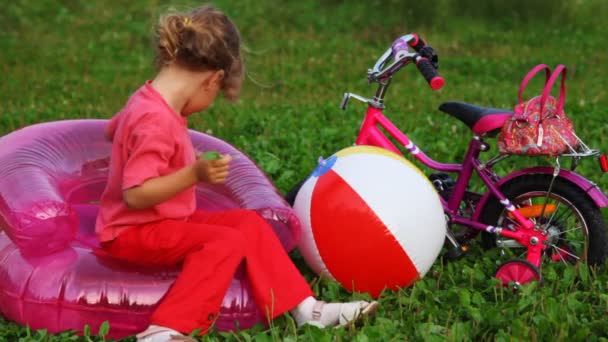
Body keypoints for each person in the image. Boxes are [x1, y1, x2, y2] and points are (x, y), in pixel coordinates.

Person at [95, 4, 379, 342]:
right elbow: (135, 194)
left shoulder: (146, 102)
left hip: (164, 222)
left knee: (248, 224)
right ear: (214, 79)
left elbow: (113, 131)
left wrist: (175, 155)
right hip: (131, 232)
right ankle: (166, 330)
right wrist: (192, 173)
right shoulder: (154, 119)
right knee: (223, 242)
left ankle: (306, 310)